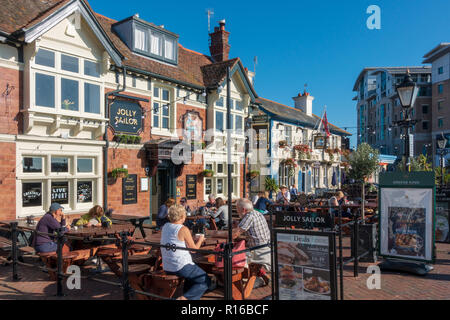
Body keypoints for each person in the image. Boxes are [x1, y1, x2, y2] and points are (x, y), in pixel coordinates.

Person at [161, 205, 211, 300]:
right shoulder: (183, 229)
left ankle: (186, 296)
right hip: (181, 266)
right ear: (182, 216)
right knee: (205, 280)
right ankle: (184, 298)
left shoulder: (165, 226)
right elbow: (194, 250)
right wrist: (200, 239)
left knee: (192, 278)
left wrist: (191, 239)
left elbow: (176, 240)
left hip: (167, 266)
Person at [232, 199, 271, 289]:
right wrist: (239, 225)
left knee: (235, 258)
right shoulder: (257, 213)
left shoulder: (249, 216)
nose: (236, 211)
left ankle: (247, 280)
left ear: (243, 209)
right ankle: (261, 276)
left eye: (237, 209)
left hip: (259, 251)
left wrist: (216, 234)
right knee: (241, 251)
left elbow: (234, 234)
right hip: (266, 248)